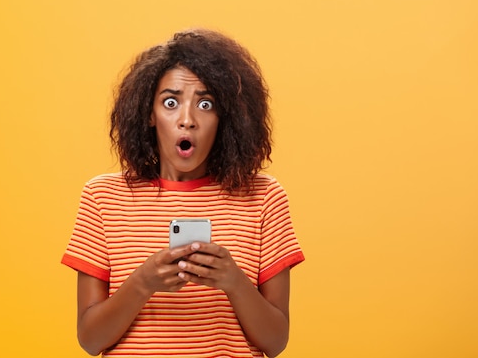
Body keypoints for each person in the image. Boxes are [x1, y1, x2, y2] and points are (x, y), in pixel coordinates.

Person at [61, 28, 304, 358]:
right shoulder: (102, 197)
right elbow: (90, 340)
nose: (187, 120)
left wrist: (233, 281)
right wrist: (143, 282)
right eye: (171, 102)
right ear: (149, 113)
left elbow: (276, 342)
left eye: (205, 104)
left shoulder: (263, 198)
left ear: (224, 117)